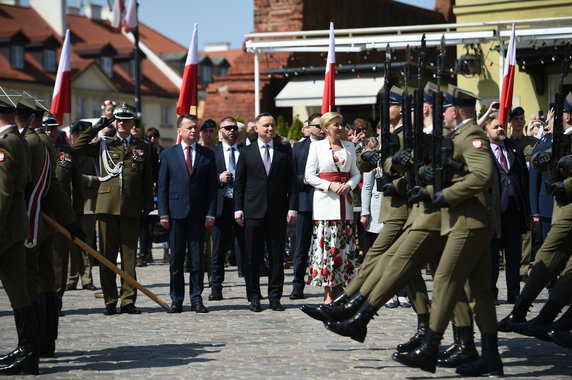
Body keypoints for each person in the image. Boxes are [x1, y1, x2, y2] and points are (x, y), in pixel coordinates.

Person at [393, 85, 501, 377]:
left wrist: (447, 195)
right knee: (479, 292)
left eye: (444, 109)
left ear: (454, 110)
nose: (441, 114)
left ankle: (430, 345)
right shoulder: (458, 136)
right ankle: (490, 355)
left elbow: (483, 175)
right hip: (467, 220)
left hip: (470, 220)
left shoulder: (472, 136)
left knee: (445, 279)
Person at [498, 92, 572, 335]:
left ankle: (547, 317)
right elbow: (541, 162)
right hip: (560, 209)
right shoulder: (554, 140)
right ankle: (529, 313)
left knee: (551, 261)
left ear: (567, 117)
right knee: (547, 260)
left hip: (566, 209)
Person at [72, 103, 153, 316]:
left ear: (132, 122)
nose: (121, 123)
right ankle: (110, 300)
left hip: (131, 208)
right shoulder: (104, 143)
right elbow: (77, 147)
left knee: (129, 258)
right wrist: (98, 125)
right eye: (118, 119)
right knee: (107, 257)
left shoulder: (142, 146)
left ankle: (128, 301)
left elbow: (147, 179)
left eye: (125, 120)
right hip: (107, 207)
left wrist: (146, 205)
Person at [234, 112, 298, 312]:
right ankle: (253, 296)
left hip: (277, 211)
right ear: (256, 128)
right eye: (266, 126)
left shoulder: (284, 151)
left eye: (272, 125)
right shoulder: (246, 152)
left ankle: (275, 297)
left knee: (277, 257)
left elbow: (292, 183)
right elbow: (240, 184)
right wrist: (238, 208)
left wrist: (292, 208)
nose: (270, 129)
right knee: (252, 257)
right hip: (252, 211)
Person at [158, 114, 217, 313]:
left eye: (195, 128)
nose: (193, 131)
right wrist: (163, 213)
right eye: (189, 128)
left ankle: (196, 298)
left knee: (197, 259)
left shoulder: (207, 154)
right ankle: (176, 298)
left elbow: (211, 188)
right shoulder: (168, 154)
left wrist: (210, 213)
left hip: (199, 215)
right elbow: (163, 187)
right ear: (179, 131)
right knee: (176, 260)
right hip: (175, 214)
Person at [0, 88, 38, 376]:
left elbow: (1, 192)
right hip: (13, 223)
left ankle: (29, 352)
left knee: (17, 286)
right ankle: (28, 352)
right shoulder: (19, 139)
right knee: (17, 288)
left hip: (4, 223)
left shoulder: (7, 142)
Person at [303, 112, 359, 304]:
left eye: (342, 124)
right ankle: (327, 293)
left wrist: (349, 185)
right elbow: (309, 176)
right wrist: (330, 186)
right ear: (327, 128)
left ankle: (341, 290)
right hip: (325, 205)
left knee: (343, 249)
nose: (341, 128)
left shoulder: (350, 146)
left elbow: (356, 174)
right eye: (336, 125)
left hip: (345, 204)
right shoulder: (316, 146)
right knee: (328, 249)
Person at [482, 116, 530, 304]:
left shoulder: (511, 147)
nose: (500, 129)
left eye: (501, 126)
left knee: (513, 253)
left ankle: (514, 293)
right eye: (495, 127)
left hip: (513, 207)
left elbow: (522, 177)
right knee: (492, 254)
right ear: (486, 132)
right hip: (493, 209)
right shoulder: (483, 151)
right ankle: (491, 293)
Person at [43, 114, 84, 315]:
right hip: (38, 215)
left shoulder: (67, 153)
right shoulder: (32, 150)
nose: (49, 132)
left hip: (61, 216)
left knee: (59, 262)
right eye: (45, 128)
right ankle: (39, 300)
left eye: (52, 128)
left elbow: (77, 185)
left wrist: (76, 215)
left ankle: (55, 301)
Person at [209, 117, 246, 301]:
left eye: (234, 128)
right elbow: (204, 179)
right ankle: (216, 287)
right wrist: (218, 178)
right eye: (228, 128)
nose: (232, 131)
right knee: (219, 249)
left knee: (246, 247)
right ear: (220, 131)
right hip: (221, 205)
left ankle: (251, 288)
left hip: (241, 205)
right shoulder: (212, 153)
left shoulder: (246, 152)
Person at [290, 113, 324, 300]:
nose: (320, 129)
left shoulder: (331, 145)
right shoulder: (299, 148)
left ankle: (331, 284)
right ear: (309, 128)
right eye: (317, 126)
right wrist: (310, 178)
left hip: (327, 202)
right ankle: (297, 285)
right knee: (301, 248)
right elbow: (291, 176)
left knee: (327, 246)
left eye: (322, 126)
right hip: (305, 202)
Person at [66, 121, 98, 292]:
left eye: (81, 133)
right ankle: (71, 278)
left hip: (87, 203)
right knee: (71, 242)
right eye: (75, 133)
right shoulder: (67, 153)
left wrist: (81, 178)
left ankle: (87, 278)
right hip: (70, 203)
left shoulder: (91, 154)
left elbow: (99, 179)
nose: (77, 136)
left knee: (86, 242)